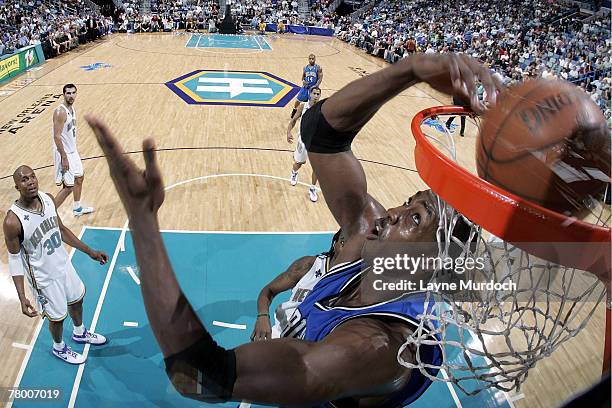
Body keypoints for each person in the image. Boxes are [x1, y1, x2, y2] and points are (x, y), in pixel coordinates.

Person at [85, 52, 503, 406]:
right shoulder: (367, 236)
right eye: (407, 203)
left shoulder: (378, 347)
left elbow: (198, 374)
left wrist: (142, 221)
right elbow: (322, 135)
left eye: (416, 218)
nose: (393, 212)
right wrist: (410, 69)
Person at [4, 166, 109, 365]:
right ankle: (58, 347)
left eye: (32, 176)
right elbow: (15, 259)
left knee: (77, 299)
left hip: (63, 264)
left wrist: (90, 252)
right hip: (43, 277)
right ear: (17, 186)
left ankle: (79, 333)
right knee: (57, 317)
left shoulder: (48, 199)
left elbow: (61, 230)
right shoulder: (12, 221)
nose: (31, 182)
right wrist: (21, 296)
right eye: (24, 180)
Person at [251, 231, 340, 341]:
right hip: (279, 336)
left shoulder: (356, 280)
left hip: (314, 347)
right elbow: (269, 290)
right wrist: (263, 316)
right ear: (337, 244)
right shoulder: (308, 265)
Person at [52, 84, 95, 216]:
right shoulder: (61, 112)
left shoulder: (72, 109)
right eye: (68, 93)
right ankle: (48, 214)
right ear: (63, 94)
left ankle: (77, 208)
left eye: (73, 93)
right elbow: (56, 136)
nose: (71, 96)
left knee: (79, 178)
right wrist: (64, 157)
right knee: (68, 187)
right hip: (63, 152)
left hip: (72, 151)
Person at [287, 86, 321, 202]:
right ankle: (294, 172)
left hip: (316, 142)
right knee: (298, 163)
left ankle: (312, 188)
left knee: (317, 168)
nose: (316, 96)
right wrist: (288, 132)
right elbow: (293, 120)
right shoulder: (303, 106)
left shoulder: (322, 108)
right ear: (310, 94)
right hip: (303, 141)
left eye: (318, 94)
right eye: (314, 94)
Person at [290, 54, 323, 118]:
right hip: (305, 88)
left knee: (313, 102)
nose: (311, 60)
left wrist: (316, 86)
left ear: (315, 59)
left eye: (312, 59)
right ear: (308, 59)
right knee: (298, 100)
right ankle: (294, 110)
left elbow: (320, 78)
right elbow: (303, 77)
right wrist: (303, 81)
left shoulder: (318, 68)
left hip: (313, 88)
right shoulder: (305, 68)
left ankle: (312, 115)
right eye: (310, 59)